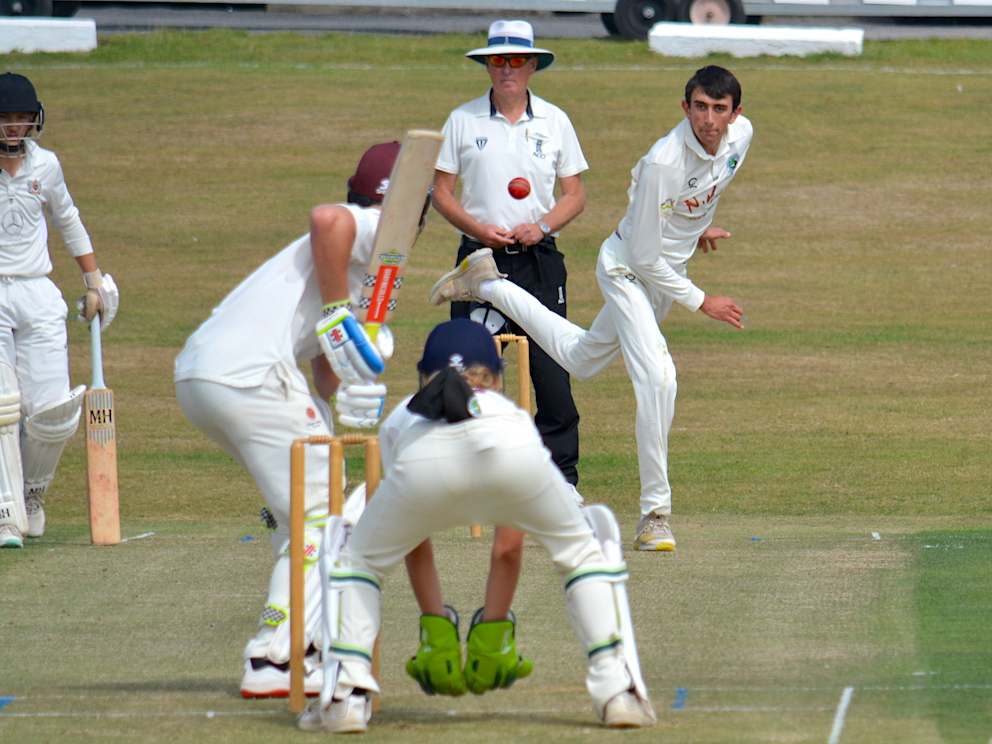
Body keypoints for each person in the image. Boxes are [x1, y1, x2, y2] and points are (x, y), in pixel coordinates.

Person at [430, 66, 753, 553]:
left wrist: (696, 227)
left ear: (736, 114)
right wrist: (701, 300)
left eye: (719, 110)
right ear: (685, 108)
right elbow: (644, 256)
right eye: (700, 108)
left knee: (579, 358)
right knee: (660, 379)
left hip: (664, 271)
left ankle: (488, 285)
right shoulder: (663, 161)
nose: (710, 120)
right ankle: (655, 515)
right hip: (628, 269)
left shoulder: (740, 138)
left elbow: (695, 196)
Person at [298, 319, 656, 733]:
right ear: (496, 377)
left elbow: (413, 539)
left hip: (423, 465)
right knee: (582, 551)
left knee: (357, 560)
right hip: (512, 453)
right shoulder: (513, 415)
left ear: (424, 377)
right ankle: (619, 694)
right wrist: (492, 628)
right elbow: (508, 546)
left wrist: (437, 626)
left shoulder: (402, 417)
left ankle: (346, 698)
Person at [174, 142, 399, 698]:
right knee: (325, 517)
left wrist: (357, 386)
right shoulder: (368, 226)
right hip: (252, 375)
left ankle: (281, 641)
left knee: (300, 515)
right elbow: (328, 219)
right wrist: (336, 315)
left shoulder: (354, 268)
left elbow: (326, 375)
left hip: (200, 377)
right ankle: (278, 657)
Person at [432, 18, 589, 619]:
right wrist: (481, 231)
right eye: (498, 62)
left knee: (552, 366)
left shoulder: (556, 122)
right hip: (478, 258)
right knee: (467, 367)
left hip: (539, 259)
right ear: (488, 68)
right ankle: (463, 480)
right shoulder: (462, 121)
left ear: (531, 67)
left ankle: (563, 483)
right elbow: (441, 192)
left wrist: (541, 225)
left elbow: (574, 194)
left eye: (516, 62)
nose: (507, 70)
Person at [0, 73, 118, 549]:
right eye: (5, 118)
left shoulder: (44, 166)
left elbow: (68, 219)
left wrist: (94, 282)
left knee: (54, 413)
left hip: (38, 291)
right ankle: (5, 513)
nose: (13, 127)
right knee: (4, 406)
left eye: (21, 118)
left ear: (34, 119)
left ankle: (29, 496)